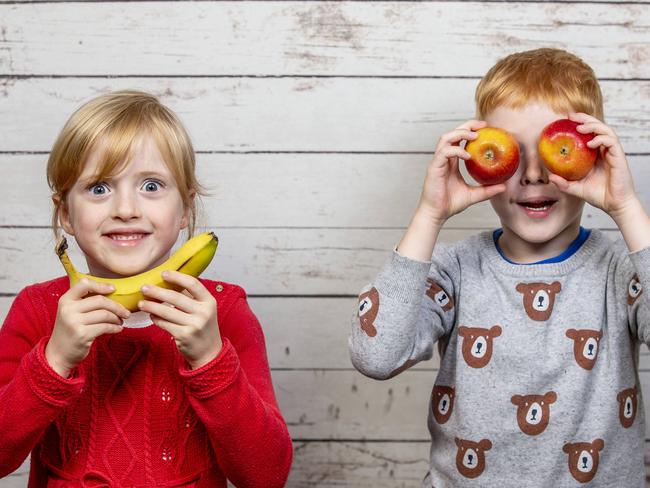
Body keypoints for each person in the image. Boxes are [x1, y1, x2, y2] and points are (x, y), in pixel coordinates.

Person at [348, 48, 650, 487]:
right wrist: (429, 214)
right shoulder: (453, 270)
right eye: (511, 151)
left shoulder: (622, 271)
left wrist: (626, 206)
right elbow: (375, 356)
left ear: (595, 155)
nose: (531, 175)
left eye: (555, 150)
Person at [0, 90, 293, 487]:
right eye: (99, 188)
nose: (126, 208)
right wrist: (53, 362)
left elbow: (266, 475)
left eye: (151, 186)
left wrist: (211, 359)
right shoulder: (37, 310)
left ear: (185, 208)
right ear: (66, 214)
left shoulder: (223, 312)